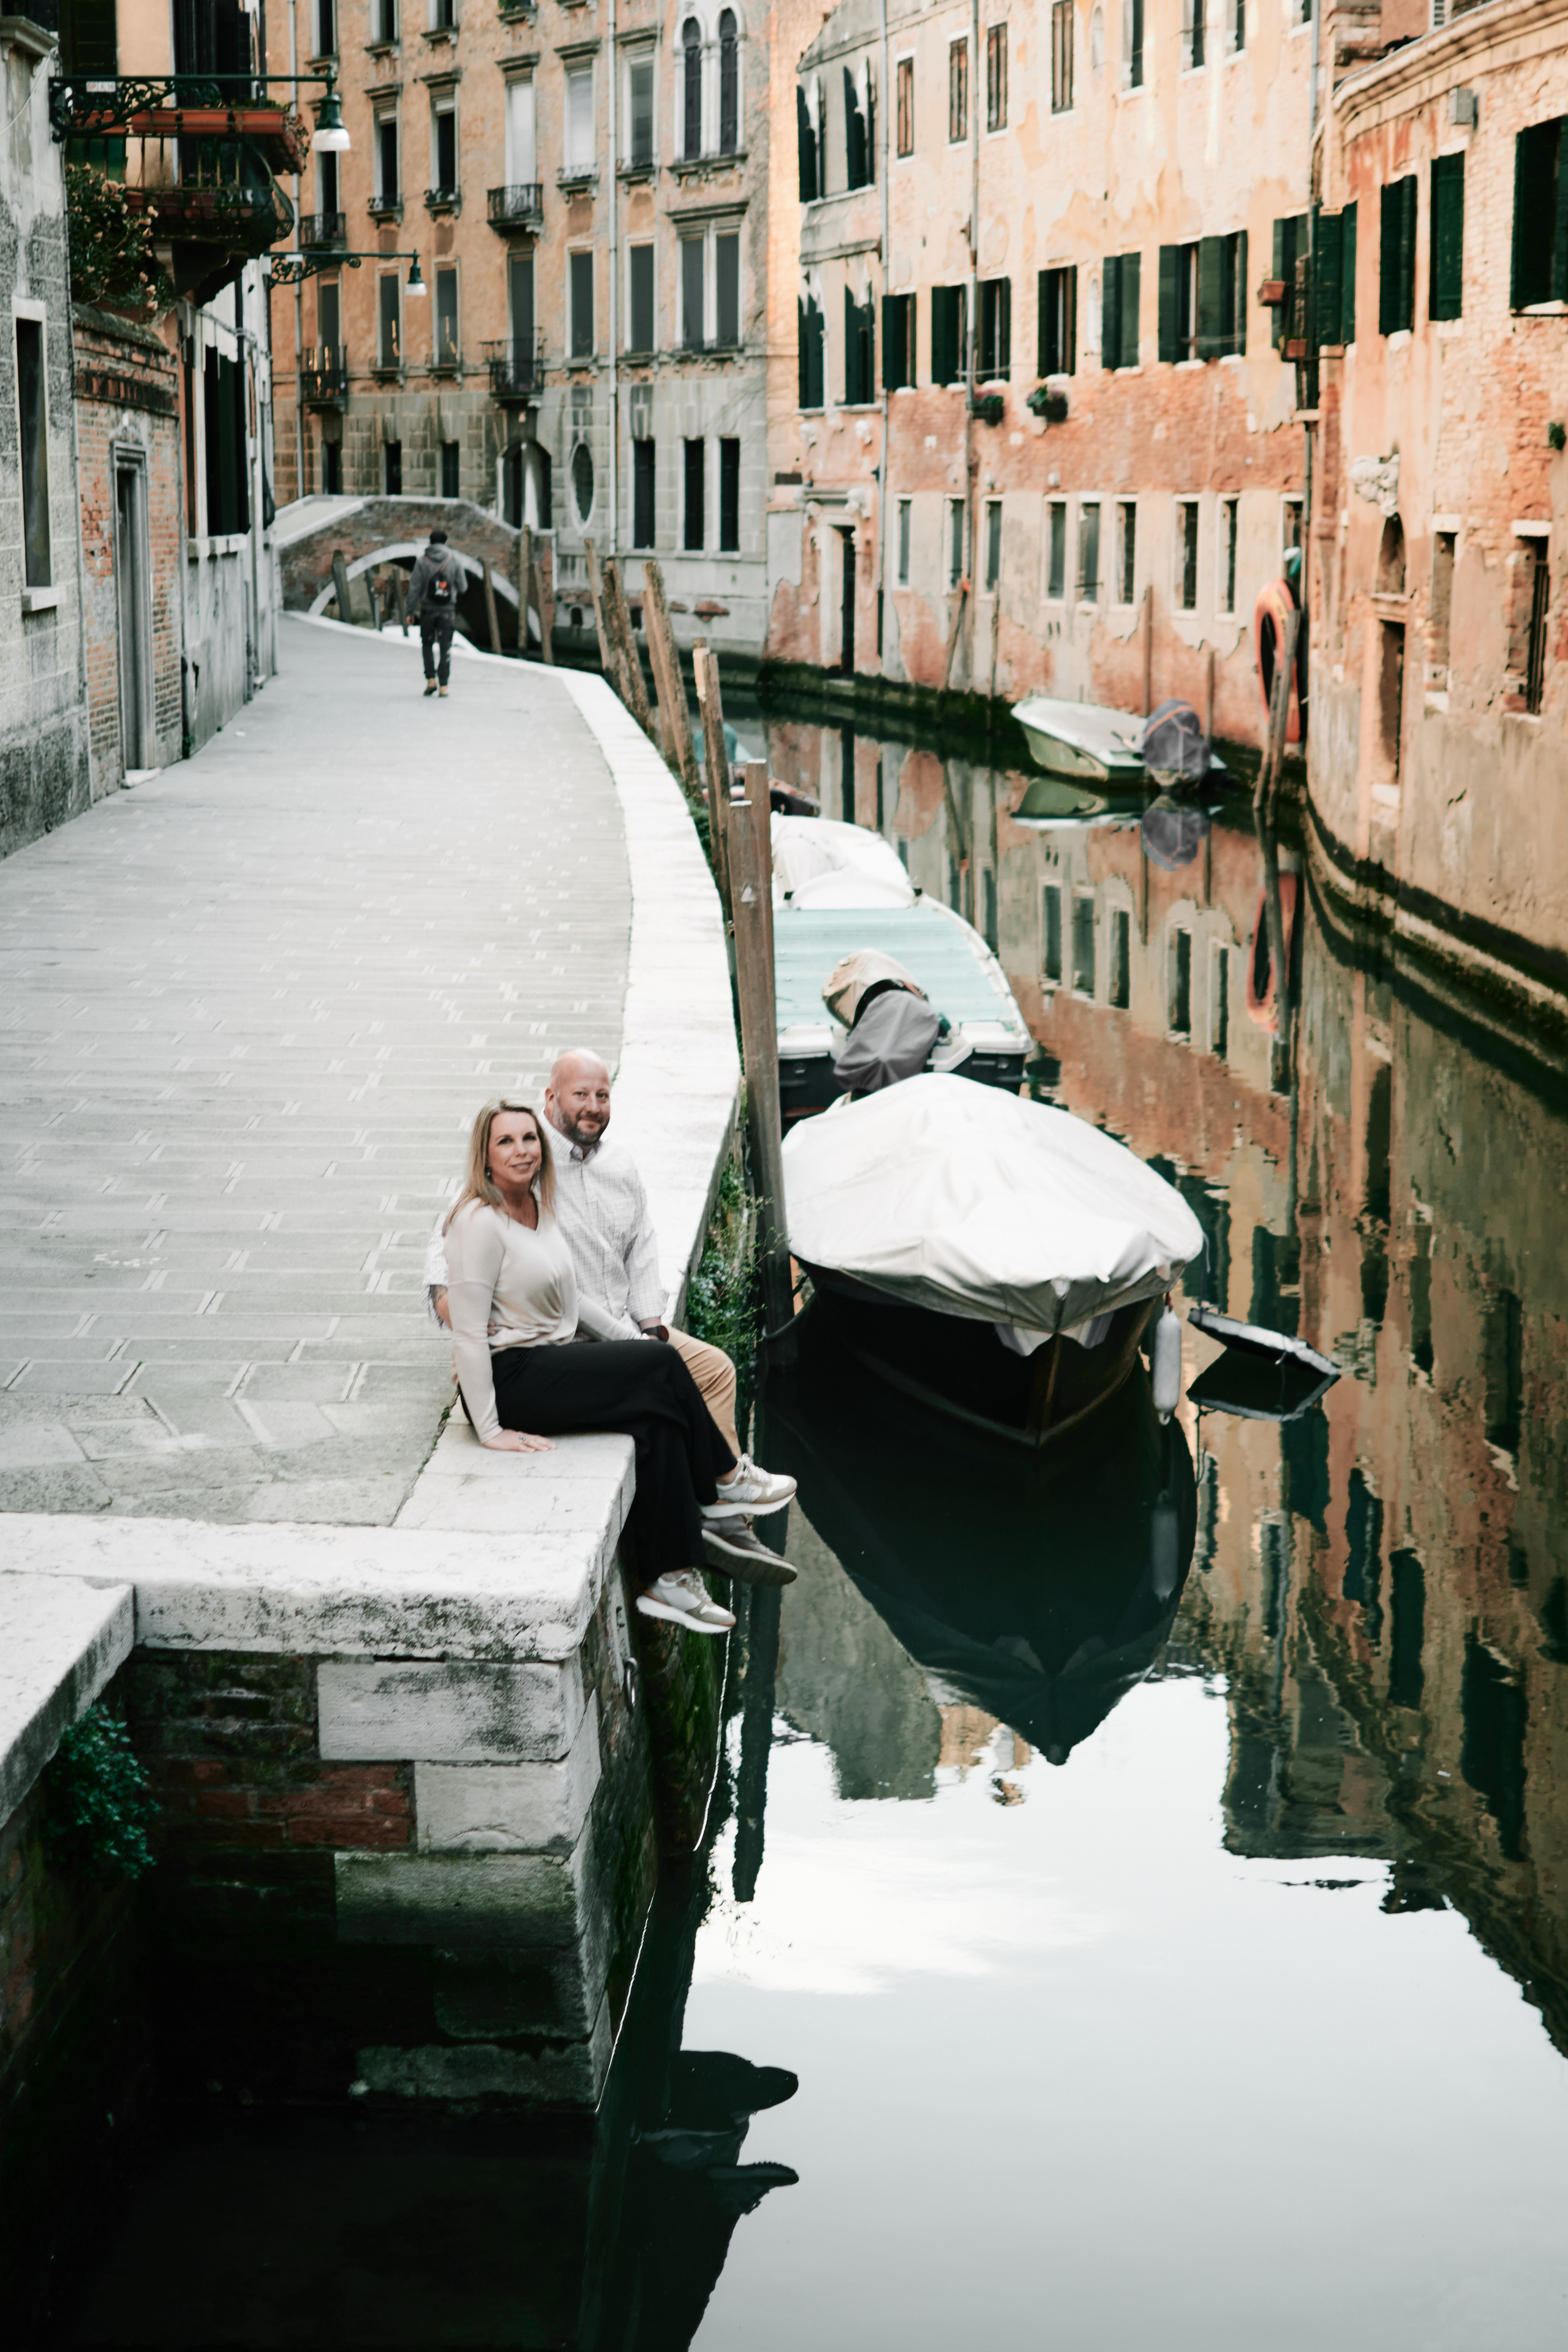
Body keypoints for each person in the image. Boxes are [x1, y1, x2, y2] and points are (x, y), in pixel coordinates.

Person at [427, 1051, 796, 1586]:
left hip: (607, 1330)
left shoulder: (592, 1175)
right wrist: (450, 1304)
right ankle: (723, 1491)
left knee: (704, 1373)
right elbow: (449, 1248)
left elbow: (639, 1247)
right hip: (544, 1350)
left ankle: (691, 1547)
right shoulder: (512, 1181)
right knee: (659, 1372)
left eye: (602, 1096)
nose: (592, 1107)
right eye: (580, 1095)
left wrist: (647, 1325)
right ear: (550, 1099)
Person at [409, 527, 465, 698]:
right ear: (445, 542)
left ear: (430, 542)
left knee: (427, 644)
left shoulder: (422, 560)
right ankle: (444, 686)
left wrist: (410, 611)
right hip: (448, 611)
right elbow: (463, 587)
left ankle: (431, 680)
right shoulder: (454, 560)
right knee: (445, 647)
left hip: (428, 610)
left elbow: (414, 588)